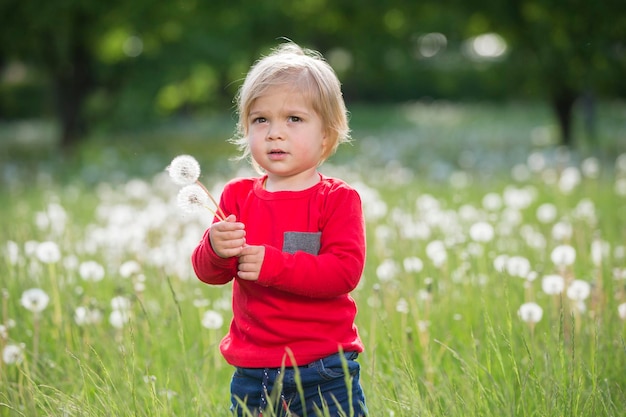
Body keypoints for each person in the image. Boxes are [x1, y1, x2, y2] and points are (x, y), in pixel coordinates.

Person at [191, 41, 368, 417]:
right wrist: (215, 248)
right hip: (254, 374)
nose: (275, 132)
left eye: (294, 119)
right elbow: (210, 273)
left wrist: (274, 266)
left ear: (326, 134)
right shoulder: (237, 197)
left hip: (326, 369)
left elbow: (343, 273)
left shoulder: (336, 199)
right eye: (261, 120)